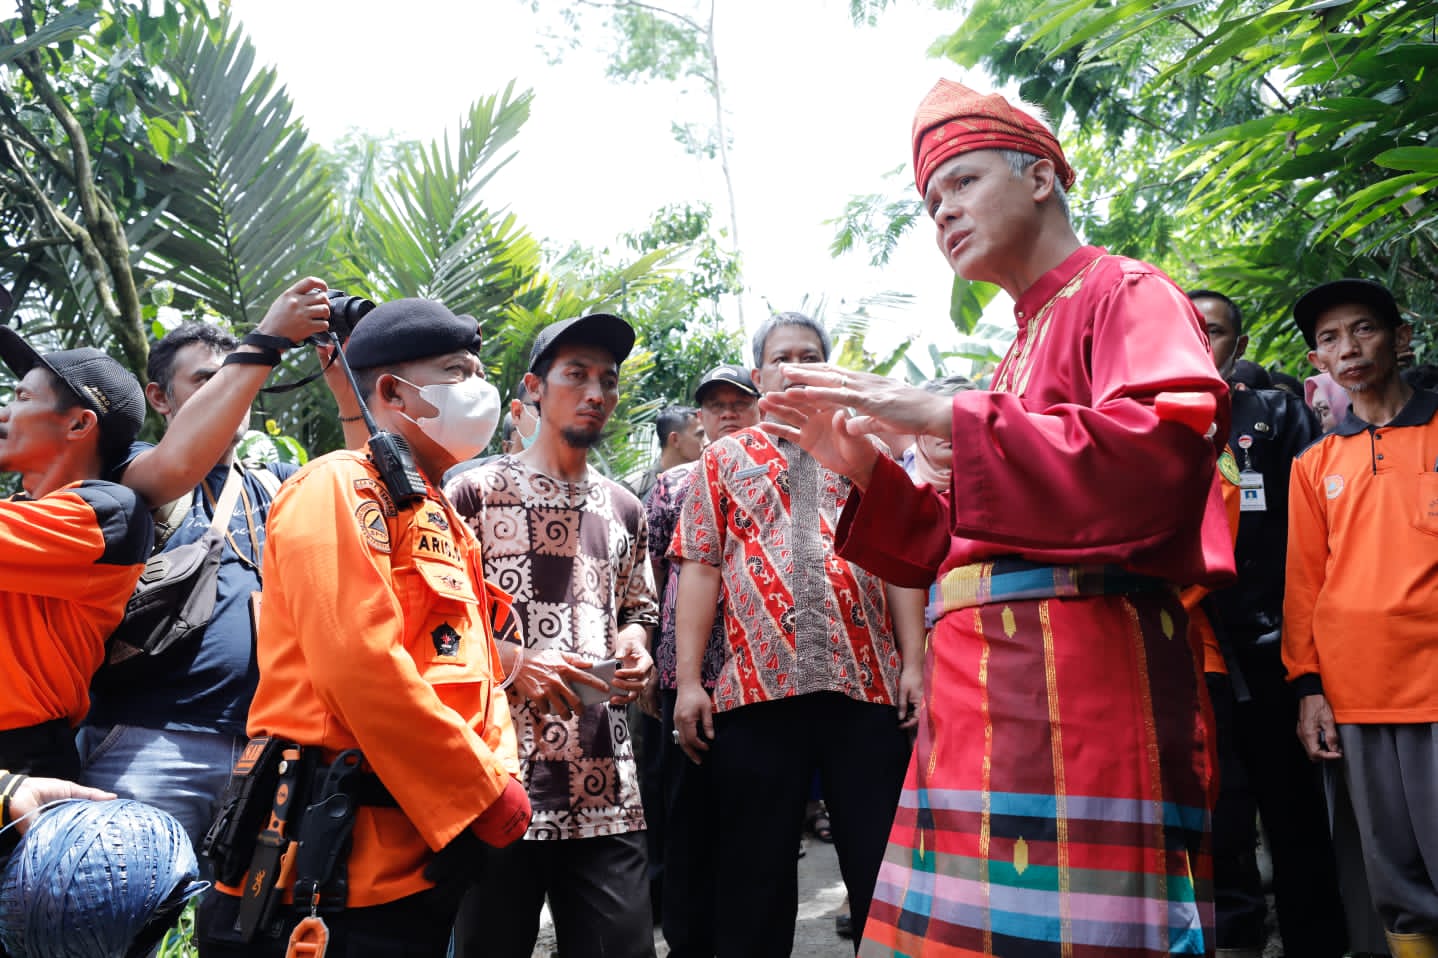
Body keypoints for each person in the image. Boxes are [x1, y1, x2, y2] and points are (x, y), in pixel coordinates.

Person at [759, 80, 1234, 956]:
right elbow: (962, 543)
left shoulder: (1123, 291)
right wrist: (860, 466)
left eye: (963, 182)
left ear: (1041, 177)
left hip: (1083, 689)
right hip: (985, 699)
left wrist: (945, 414)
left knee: (1084, 934)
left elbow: (1160, 462)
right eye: (932, 201)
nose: (943, 212)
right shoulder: (1020, 342)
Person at [195, 298, 525, 956]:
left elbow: (477, 675)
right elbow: (358, 660)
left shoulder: (438, 515)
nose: (480, 387)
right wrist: (481, 790)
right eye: (457, 371)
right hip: (324, 876)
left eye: (480, 371)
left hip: (421, 861)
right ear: (393, 393)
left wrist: (498, 779)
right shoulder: (339, 486)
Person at [671, 312, 921, 958]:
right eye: (783, 357)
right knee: (753, 879)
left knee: (883, 871)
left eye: (811, 355)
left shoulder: (868, 451)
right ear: (760, 377)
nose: (798, 366)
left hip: (865, 686)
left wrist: (914, 664)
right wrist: (691, 682)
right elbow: (701, 566)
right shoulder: (722, 459)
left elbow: (901, 558)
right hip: (757, 693)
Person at [80, 279, 331, 859]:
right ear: (159, 397)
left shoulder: (273, 485)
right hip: (149, 739)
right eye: (206, 379)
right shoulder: (131, 471)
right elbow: (175, 464)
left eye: (238, 375)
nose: (232, 388)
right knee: (126, 902)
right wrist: (267, 340)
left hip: (262, 749)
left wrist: (345, 379)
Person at [447, 313, 660, 958]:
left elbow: (639, 608)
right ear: (535, 388)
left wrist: (635, 646)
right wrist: (514, 660)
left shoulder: (624, 507)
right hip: (498, 780)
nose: (596, 392)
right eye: (577, 375)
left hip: (606, 784)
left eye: (608, 380)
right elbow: (435, 622)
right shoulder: (474, 493)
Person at [1188, 289, 1346, 958]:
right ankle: (1237, 938)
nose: (1200, 342)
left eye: (1215, 331)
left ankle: (1318, 941)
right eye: (1188, 328)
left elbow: (1321, 527)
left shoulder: (1277, 415)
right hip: (1192, 648)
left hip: (1277, 642)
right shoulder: (1143, 423)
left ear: (1240, 346)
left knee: (1294, 807)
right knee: (1218, 813)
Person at [1284, 278, 1438, 958]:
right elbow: (1303, 585)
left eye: (1364, 329)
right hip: (1357, 692)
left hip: (1434, 680)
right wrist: (1308, 687)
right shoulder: (1315, 463)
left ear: (1401, 339)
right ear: (1316, 361)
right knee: (1395, 875)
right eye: (1330, 338)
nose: (1348, 348)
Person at [643, 363, 760, 956]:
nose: (728, 414)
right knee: (685, 814)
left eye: (739, 402)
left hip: (757, 674)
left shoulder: (773, 474)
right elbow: (657, 576)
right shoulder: (673, 485)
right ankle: (687, 941)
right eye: (716, 406)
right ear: (701, 418)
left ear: (759, 407)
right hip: (684, 674)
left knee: (751, 817)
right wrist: (659, 663)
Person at [0, 330, 151, 782]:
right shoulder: (19, 513)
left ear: (79, 425)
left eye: (22, 398)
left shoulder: (107, 513)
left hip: (22, 760)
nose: (4, 413)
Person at [634, 404, 703, 500]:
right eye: (700, 435)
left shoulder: (708, 482)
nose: (707, 442)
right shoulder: (637, 488)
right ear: (675, 439)